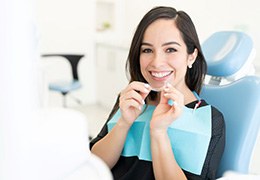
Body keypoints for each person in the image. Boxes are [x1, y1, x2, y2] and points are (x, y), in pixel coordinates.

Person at [90, 6, 225, 180]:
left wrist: (159, 132)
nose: (157, 62)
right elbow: (92, 166)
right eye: (147, 50)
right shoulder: (131, 99)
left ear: (191, 56)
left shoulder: (211, 119)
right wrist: (124, 123)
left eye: (170, 50)